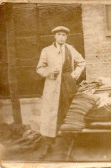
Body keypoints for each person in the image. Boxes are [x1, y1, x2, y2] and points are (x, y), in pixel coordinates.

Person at [36, 26, 85, 159]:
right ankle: (48, 145)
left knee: (67, 114)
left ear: (66, 37)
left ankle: (68, 147)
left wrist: (75, 74)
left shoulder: (71, 49)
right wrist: (50, 73)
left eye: (64, 35)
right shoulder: (46, 51)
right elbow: (39, 68)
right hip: (52, 87)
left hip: (68, 86)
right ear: (55, 37)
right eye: (59, 34)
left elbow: (81, 62)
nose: (61, 37)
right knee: (51, 115)